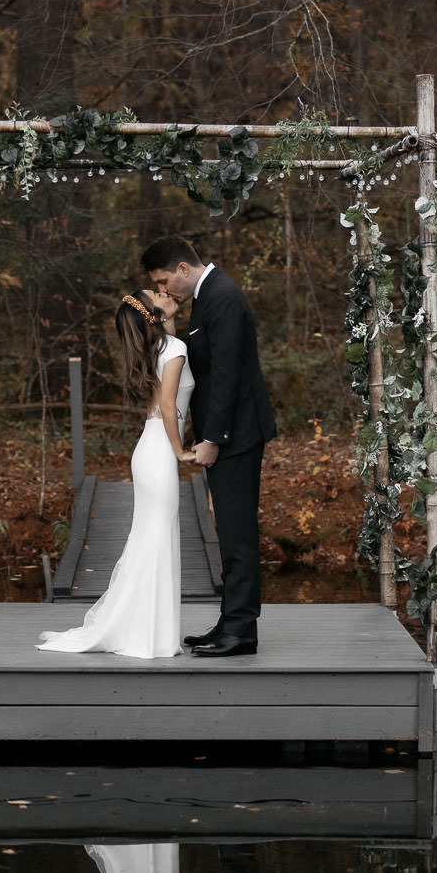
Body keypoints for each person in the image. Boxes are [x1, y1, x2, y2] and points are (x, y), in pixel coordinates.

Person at [38, 287, 191, 658]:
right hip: (159, 450)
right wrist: (181, 452)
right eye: (157, 293)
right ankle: (148, 635)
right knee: (156, 540)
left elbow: (167, 391)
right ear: (153, 316)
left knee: (151, 540)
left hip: (149, 448)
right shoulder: (176, 351)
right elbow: (169, 407)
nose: (164, 291)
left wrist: (166, 318)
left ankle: (149, 631)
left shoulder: (163, 347)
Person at [142, 235, 275, 657]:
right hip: (228, 432)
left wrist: (213, 439)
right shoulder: (205, 298)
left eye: (164, 281)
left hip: (236, 434)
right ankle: (229, 622)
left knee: (238, 533)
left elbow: (228, 376)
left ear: (184, 268)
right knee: (229, 531)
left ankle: (241, 631)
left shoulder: (224, 297)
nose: (164, 291)